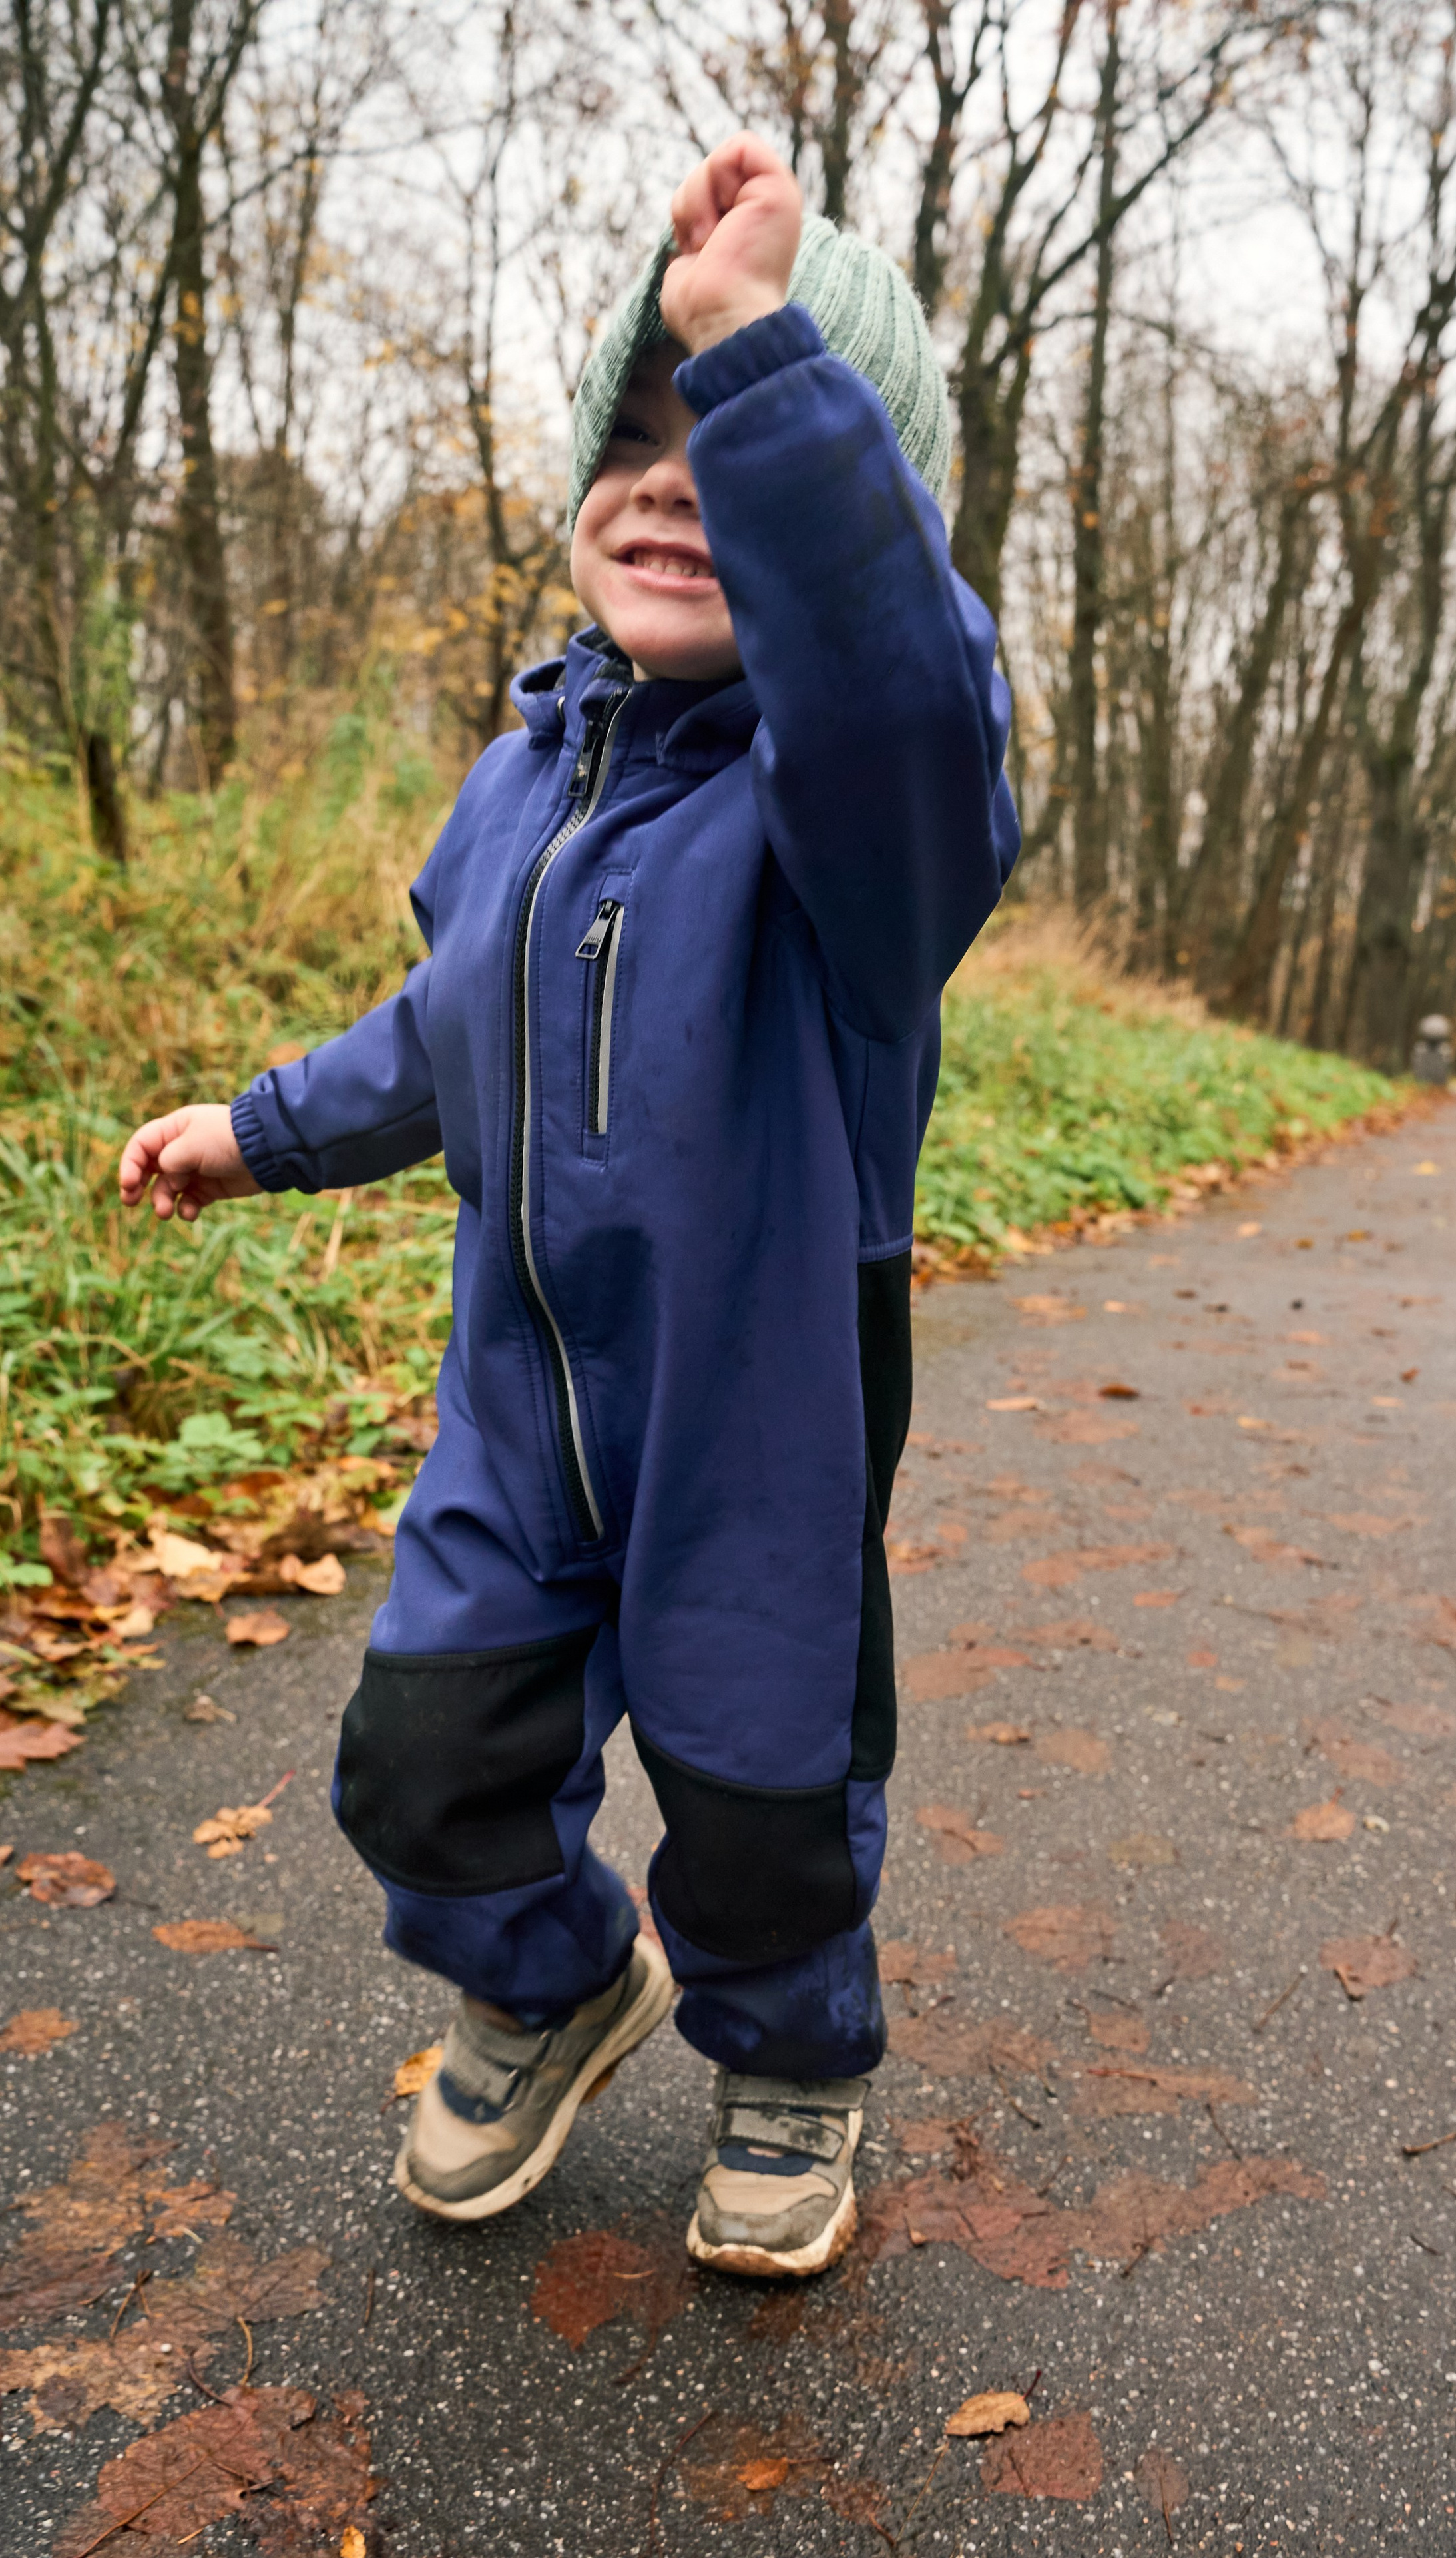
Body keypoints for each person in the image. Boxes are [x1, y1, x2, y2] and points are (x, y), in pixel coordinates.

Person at [119, 133, 1019, 2280]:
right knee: (420, 1761)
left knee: (766, 1794)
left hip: (759, 1423)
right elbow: (444, 1030)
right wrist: (258, 1125)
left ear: (851, 516)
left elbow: (906, 698)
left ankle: (793, 2052)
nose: (673, 477)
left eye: (741, 435)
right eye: (637, 433)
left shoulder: (862, 842)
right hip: (519, 1413)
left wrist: (755, 347)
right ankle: (548, 1975)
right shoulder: (528, 768)